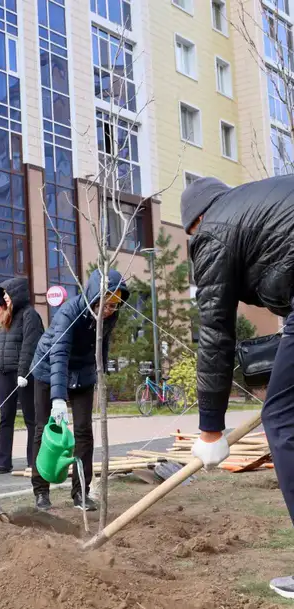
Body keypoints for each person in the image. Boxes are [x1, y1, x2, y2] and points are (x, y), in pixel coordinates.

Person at [181, 175, 294, 600]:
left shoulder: (213, 232)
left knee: (282, 420)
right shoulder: (256, 208)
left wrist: (210, 429)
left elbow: (215, 333)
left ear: (195, 222)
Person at [30, 269, 128, 512]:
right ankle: (41, 491)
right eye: (105, 303)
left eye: (115, 305)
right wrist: (58, 398)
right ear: (94, 296)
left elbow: (101, 343)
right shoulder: (68, 313)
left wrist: (101, 371)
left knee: (84, 431)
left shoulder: (110, 315)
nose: (109, 309)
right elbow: (59, 354)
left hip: (83, 373)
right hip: (49, 369)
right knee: (44, 428)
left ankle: (80, 494)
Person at [0, 277, 44, 474]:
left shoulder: (31, 316)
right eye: (3, 294)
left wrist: (23, 373)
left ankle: (33, 461)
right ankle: (3, 462)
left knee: (31, 418)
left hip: (24, 376)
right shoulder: (7, 316)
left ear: (17, 293)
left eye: (7, 293)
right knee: (5, 418)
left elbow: (30, 347)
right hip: (5, 373)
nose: (5, 297)